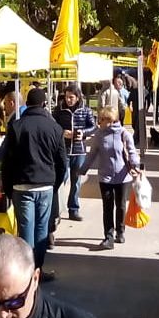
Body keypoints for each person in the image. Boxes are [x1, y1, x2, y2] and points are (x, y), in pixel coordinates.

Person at [0, 88, 66, 281]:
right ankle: (38, 270)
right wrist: (55, 183)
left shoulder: (17, 126)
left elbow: (7, 161)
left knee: (25, 231)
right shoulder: (54, 128)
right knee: (41, 231)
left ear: (26, 103)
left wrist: (8, 187)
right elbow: (62, 162)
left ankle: (26, 274)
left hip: (21, 185)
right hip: (45, 185)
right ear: (45, 103)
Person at [81, 106, 140, 250]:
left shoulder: (124, 134)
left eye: (102, 119)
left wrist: (136, 165)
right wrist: (83, 168)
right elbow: (92, 154)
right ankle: (108, 236)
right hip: (105, 177)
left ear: (111, 120)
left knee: (120, 205)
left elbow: (132, 151)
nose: (99, 122)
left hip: (123, 176)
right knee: (107, 207)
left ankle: (120, 231)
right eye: (99, 119)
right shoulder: (99, 135)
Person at [52, 85, 96, 222]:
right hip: (63, 149)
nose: (69, 100)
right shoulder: (58, 111)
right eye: (67, 97)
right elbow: (53, 125)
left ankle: (73, 209)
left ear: (77, 97)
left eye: (71, 97)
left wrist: (83, 133)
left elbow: (93, 126)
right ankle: (56, 210)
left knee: (76, 181)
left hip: (78, 150)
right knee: (60, 179)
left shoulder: (86, 110)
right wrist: (62, 132)